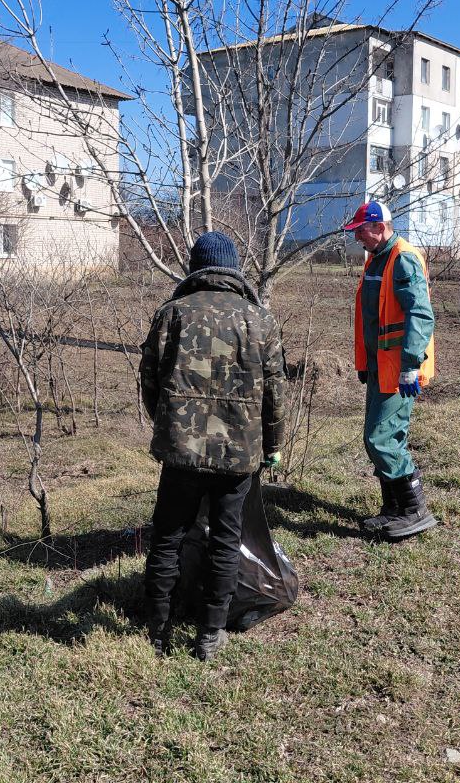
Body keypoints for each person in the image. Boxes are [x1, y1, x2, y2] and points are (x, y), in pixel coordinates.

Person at [140, 231, 286, 660]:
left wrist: (168, 426)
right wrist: (273, 444)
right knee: (226, 539)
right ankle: (210, 633)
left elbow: (150, 379)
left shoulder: (171, 314)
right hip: (239, 452)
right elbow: (275, 392)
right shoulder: (259, 319)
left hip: (180, 450)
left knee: (167, 538)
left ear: (195, 268)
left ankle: (157, 631)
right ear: (234, 268)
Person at [342, 200, 438, 541]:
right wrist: (366, 363)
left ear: (380, 227)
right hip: (380, 366)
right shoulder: (378, 258)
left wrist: (411, 365)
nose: (358, 239)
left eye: (361, 232)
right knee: (380, 437)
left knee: (380, 438)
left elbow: (421, 315)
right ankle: (393, 510)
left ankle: (414, 510)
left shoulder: (403, 258)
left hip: (400, 371)